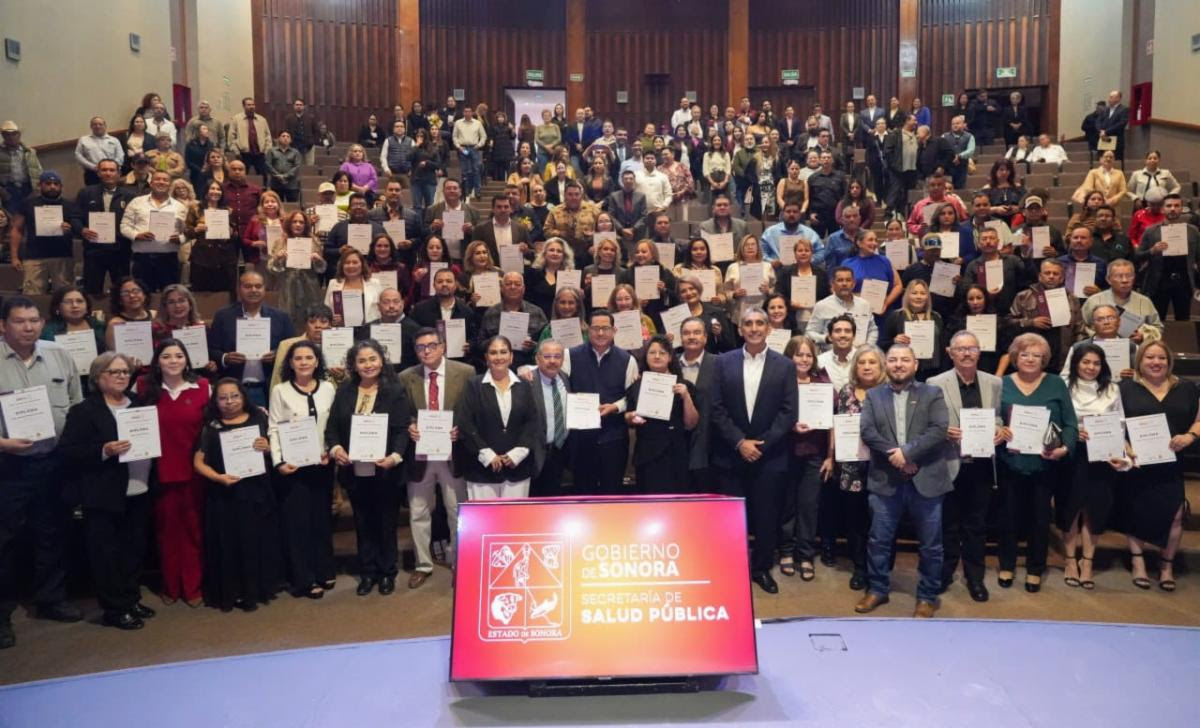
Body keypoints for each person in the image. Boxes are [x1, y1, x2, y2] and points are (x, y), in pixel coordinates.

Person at [0, 296, 84, 649]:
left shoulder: (58, 354)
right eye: (20, 321)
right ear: (3, 325)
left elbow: (77, 404)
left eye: (34, 320)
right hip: (8, 465)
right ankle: (1, 615)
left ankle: (51, 599)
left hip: (53, 461)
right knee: (4, 540)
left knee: (53, 532)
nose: (29, 327)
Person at [57, 351, 156, 630]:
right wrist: (104, 450)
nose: (121, 376)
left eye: (125, 372)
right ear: (98, 377)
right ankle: (115, 609)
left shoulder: (139, 404)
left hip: (139, 487)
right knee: (107, 555)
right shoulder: (84, 411)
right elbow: (68, 451)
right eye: (114, 372)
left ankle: (131, 598)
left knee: (134, 550)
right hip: (103, 494)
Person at [853, 344, 949, 617]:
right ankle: (877, 589)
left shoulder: (932, 393)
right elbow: (868, 431)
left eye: (905, 359)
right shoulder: (874, 395)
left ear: (915, 364)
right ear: (887, 365)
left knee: (931, 545)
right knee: (879, 540)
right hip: (886, 479)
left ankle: (927, 596)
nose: (898, 364)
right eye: (893, 359)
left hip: (927, 478)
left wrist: (908, 453)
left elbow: (939, 429)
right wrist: (896, 456)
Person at [709, 308, 797, 594]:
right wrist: (739, 442)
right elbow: (716, 408)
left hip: (769, 456)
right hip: (730, 454)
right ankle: (731, 568)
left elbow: (788, 412)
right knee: (731, 519)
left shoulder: (785, 365)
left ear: (768, 329)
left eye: (760, 323)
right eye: (748, 323)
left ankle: (760, 569)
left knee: (766, 517)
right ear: (740, 329)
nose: (754, 328)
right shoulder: (723, 362)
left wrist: (761, 444)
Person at [326, 340, 411, 595]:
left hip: (385, 470)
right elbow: (332, 428)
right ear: (353, 365)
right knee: (362, 523)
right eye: (361, 360)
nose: (368, 365)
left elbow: (402, 430)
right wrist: (336, 449)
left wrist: (394, 457)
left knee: (386, 523)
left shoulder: (394, 390)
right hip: (354, 470)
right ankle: (368, 572)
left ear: (381, 361)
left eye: (373, 359)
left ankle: (387, 572)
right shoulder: (344, 391)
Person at [996, 333, 1076, 593]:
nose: (1030, 359)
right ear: (1015, 357)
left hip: (1045, 463)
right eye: (1024, 354)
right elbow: (994, 417)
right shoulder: (1002, 384)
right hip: (1010, 461)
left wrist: (1064, 448)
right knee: (1008, 517)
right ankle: (1006, 564)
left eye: (1036, 355)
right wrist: (999, 429)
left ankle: (1035, 568)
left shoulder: (1056, 384)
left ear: (1045, 359)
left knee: (1040, 519)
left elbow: (1070, 423)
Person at [193, 377, 282, 612]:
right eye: (223, 398)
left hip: (257, 492)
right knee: (230, 543)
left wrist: (268, 448)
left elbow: (277, 448)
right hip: (225, 495)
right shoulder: (211, 426)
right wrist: (218, 478)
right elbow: (198, 462)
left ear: (243, 396)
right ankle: (235, 591)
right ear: (215, 401)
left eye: (234, 396)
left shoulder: (259, 418)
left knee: (256, 541)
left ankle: (257, 588)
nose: (229, 401)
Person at [928, 330, 1003, 602]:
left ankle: (975, 578)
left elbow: (998, 418)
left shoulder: (994, 382)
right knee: (947, 524)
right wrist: (943, 432)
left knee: (976, 525)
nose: (967, 353)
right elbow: (928, 423)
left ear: (979, 352)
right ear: (950, 353)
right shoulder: (935, 383)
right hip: (949, 462)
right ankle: (945, 573)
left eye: (972, 348)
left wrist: (998, 430)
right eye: (960, 349)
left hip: (981, 465)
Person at [1118, 341, 1197, 592]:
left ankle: (1166, 566)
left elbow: (1198, 418)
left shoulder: (1186, 387)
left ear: (1169, 361)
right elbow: (1116, 422)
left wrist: (1190, 436)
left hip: (1173, 461)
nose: (1156, 362)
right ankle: (1138, 561)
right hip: (1139, 463)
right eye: (1149, 357)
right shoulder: (1125, 388)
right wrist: (1126, 447)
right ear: (1140, 361)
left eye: (1161, 358)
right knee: (1136, 510)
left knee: (1176, 515)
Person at [267, 340, 337, 599]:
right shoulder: (281, 391)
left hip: (322, 464)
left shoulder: (328, 388)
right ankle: (304, 578)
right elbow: (274, 428)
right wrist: (279, 462)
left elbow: (333, 425)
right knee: (297, 524)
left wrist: (329, 450)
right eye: (298, 358)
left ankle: (324, 569)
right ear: (290, 363)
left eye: (309, 357)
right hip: (293, 467)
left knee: (321, 520)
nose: (304, 362)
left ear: (317, 361)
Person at [1061, 342, 1128, 590]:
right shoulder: (1063, 385)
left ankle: (1087, 561)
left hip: (1102, 454)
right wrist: (1072, 431)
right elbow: (1055, 418)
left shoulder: (1112, 388)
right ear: (1076, 363)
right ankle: (1070, 560)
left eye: (1097, 363)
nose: (1091, 367)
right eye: (1086, 362)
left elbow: (1120, 422)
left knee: (1095, 508)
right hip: (1073, 453)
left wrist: (1120, 451)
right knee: (1071, 507)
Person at [560, 308, 640, 495]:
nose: (601, 333)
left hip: (614, 437)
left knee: (611, 492)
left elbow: (632, 397)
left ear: (614, 331)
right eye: (596, 328)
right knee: (582, 492)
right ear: (588, 330)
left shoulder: (628, 360)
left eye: (606, 328)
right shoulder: (569, 355)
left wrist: (615, 407)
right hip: (580, 439)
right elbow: (560, 388)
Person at [455, 335, 539, 500]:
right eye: (493, 353)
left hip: (517, 467)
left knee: (514, 517)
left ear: (511, 356)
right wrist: (486, 454)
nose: (499, 357)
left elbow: (532, 421)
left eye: (503, 352)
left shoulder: (524, 385)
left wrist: (519, 452)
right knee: (484, 517)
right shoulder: (474, 385)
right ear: (486, 358)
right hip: (481, 468)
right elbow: (465, 423)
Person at [777, 334, 830, 581]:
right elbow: (771, 416)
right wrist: (791, 427)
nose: (804, 359)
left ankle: (806, 554)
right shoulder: (780, 382)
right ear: (789, 356)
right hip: (784, 452)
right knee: (786, 505)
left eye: (809, 355)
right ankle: (786, 551)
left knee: (809, 507)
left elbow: (831, 422)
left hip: (814, 454)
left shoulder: (822, 382)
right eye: (799, 354)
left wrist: (830, 456)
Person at [624, 335, 699, 493]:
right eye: (652, 352)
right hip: (646, 454)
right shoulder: (636, 386)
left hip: (675, 453)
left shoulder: (684, 386)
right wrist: (631, 417)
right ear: (646, 357)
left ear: (670, 357)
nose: (657, 356)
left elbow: (691, 423)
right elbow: (627, 417)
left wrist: (686, 397)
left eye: (662, 353)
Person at [209, 270, 296, 407]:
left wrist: (276, 355)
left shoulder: (281, 317)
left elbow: (293, 349)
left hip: (269, 388)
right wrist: (225, 358)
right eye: (248, 286)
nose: (253, 290)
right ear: (239, 289)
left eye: (258, 286)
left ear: (264, 289)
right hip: (234, 390)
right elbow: (212, 349)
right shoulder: (223, 316)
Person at [1008, 258, 1084, 373]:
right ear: (1040, 276)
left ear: (1062, 278)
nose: (1051, 276)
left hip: (1061, 359)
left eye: (1055, 274)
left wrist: (1075, 354)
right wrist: (1031, 322)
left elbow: (1080, 330)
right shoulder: (1023, 296)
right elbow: (1008, 323)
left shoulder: (1072, 298)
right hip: (1031, 357)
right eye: (1047, 273)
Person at [73, 158, 134, 296]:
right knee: (92, 291)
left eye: (112, 170)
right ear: (98, 173)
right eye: (104, 170)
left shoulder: (129, 196)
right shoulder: (86, 193)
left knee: (122, 291)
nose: (108, 173)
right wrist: (82, 230)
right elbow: (75, 217)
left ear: (118, 173)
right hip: (94, 250)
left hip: (120, 250)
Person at [121, 169, 187, 292]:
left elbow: (186, 231)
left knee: (170, 295)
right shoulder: (136, 202)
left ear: (170, 184)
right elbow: (124, 226)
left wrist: (181, 239)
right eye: (158, 179)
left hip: (169, 260)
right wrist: (136, 235)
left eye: (165, 180)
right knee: (143, 296)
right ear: (151, 183)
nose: (161, 182)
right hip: (142, 260)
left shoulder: (179, 206)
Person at [1137, 194, 1200, 322]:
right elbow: (1138, 256)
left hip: (1184, 281)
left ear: (1181, 209)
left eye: (1176, 206)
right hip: (1158, 281)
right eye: (1169, 206)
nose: (1173, 209)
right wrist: (1152, 250)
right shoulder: (1151, 231)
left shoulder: (1192, 231)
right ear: (1162, 209)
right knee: (1156, 321)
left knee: (1183, 320)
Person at [12, 170, 76, 294]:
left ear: (61, 186)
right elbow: (17, 229)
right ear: (39, 185)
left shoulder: (70, 205)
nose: (52, 187)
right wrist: (14, 257)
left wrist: (69, 228)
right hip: (34, 257)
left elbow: (78, 228)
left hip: (62, 256)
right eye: (48, 183)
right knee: (32, 294)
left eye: (56, 184)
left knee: (65, 295)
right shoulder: (28, 204)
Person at [1081, 258, 1162, 343]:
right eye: (1119, 276)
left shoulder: (1144, 302)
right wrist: (1098, 336)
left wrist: (1143, 336)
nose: (1125, 280)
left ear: (1134, 278)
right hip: (1100, 347)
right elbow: (1081, 327)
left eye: (1129, 276)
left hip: (1135, 348)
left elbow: (1158, 327)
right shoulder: (1094, 301)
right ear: (1108, 279)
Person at [479, 271, 548, 368]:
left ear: (523, 289)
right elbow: (480, 344)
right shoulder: (491, 313)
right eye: (508, 284)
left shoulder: (537, 312)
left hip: (529, 366)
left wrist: (534, 346)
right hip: (498, 366)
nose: (513, 287)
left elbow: (548, 343)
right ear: (502, 288)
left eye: (517, 284)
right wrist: (495, 341)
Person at [878, 279, 944, 379]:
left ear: (927, 297)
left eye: (923, 293)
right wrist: (894, 341)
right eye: (914, 293)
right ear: (908, 295)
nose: (918, 297)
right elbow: (881, 344)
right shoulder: (896, 316)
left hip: (932, 372)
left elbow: (942, 347)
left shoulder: (936, 317)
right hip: (903, 371)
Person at [185, 180, 238, 295]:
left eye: (218, 189)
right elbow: (187, 231)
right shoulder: (196, 208)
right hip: (201, 257)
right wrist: (196, 230)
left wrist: (231, 232)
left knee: (224, 293)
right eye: (212, 188)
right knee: (201, 292)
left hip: (224, 258)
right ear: (206, 191)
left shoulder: (228, 210)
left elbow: (236, 234)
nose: (215, 191)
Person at [807, 266, 879, 350]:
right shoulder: (822, 306)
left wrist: (867, 347)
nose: (844, 284)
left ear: (853, 283)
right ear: (832, 283)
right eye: (840, 280)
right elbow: (809, 333)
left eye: (848, 280)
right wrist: (826, 338)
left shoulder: (864, 305)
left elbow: (872, 330)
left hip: (860, 355)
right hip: (832, 354)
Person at [410, 266, 474, 359]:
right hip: (427, 359)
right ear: (434, 285)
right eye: (440, 281)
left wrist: (470, 345)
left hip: (457, 361)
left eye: (449, 281)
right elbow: (413, 336)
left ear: (455, 285)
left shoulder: (466, 311)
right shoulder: (420, 310)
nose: (444, 284)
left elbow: (473, 336)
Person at [844, 229, 904, 318]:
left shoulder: (885, 261)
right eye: (870, 240)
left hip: (882, 313)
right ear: (859, 243)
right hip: (856, 312)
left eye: (876, 240)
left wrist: (886, 303)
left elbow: (898, 285)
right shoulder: (848, 263)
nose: (874, 243)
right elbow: (840, 288)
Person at [325, 246, 383, 329]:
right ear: (342, 265)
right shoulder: (333, 283)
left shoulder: (375, 283)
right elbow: (327, 311)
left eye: (355, 262)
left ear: (362, 264)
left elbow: (381, 309)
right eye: (347, 263)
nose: (351, 266)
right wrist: (333, 319)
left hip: (369, 330)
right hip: (342, 330)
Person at [103, 276, 156, 361]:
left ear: (144, 295)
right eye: (126, 293)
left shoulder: (154, 315)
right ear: (119, 300)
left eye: (136, 291)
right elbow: (113, 356)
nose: (132, 295)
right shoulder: (115, 324)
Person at [228, 97, 273, 182]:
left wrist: (267, 150)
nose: (251, 107)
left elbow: (268, 136)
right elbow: (231, 138)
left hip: (260, 153)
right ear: (244, 106)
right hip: (243, 153)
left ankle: (263, 190)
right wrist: (236, 151)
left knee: (263, 176)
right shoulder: (236, 119)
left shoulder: (262, 120)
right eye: (248, 105)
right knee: (241, 177)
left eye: (253, 105)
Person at [884, 116, 920, 217]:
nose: (916, 122)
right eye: (914, 120)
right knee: (895, 190)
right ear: (907, 121)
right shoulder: (895, 134)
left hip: (912, 169)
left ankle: (905, 212)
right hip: (897, 169)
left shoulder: (916, 135)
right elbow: (888, 151)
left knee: (908, 193)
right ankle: (888, 212)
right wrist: (893, 165)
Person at [75, 117, 125, 186]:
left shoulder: (114, 140)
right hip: (92, 173)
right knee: (93, 192)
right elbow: (78, 155)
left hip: (111, 173)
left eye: (100, 124)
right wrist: (93, 167)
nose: (98, 126)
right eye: (95, 124)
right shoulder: (83, 140)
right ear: (91, 126)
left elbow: (120, 156)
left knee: (113, 191)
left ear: (105, 126)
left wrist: (111, 168)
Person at [452, 106, 487, 199]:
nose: (467, 113)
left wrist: (479, 145)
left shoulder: (477, 123)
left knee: (476, 169)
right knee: (464, 171)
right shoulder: (458, 123)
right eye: (465, 111)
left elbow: (483, 136)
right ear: (463, 113)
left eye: (469, 111)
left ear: (472, 113)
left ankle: (477, 191)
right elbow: (454, 136)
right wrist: (458, 147)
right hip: (463, 148)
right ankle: (465, 191)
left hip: (474, 148)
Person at [941, 115, 976, 190]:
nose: (955, 125)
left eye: (957, 123)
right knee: (946, 189)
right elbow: (940, 150)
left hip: (962, 167)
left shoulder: (969, 136)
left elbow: (971, 150)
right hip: (947, 167)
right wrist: (951, 157)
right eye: (953, 124)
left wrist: (959, 156)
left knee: (960, 189)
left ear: (963, 124)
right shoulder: (944, 136)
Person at [265, 131, 301, 202]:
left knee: (292, 206)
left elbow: (297, 166)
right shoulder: (271, 151)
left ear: (290, 140)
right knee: (277, 205)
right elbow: (268, 164)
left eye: (288, 136)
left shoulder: (295, 152)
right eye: (283, 136)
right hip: (276, 183)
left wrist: (285, 176)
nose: (285, 138)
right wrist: (278, 176)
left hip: (291, 184)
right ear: (278, 139)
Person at [284, 98, 321, 166]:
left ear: (304, 106)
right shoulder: (289, 118)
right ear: (294, 106)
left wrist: (313, 142)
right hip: (294, 146)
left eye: (300, 105)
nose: (299, 106)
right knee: (296, 166)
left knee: (309, 167)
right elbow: (286, 132)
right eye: (297, 105)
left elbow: (316, 131)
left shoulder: (310, 118)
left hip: (309, 147)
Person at [1097, 90, 1128, 161]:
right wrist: (1101, 131)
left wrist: (1106, 132)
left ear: (1118, 98)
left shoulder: (1124, 109)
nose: (1109, 99)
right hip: (1103, 139)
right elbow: (1098, 121)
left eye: (1111, 97)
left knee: (1116, 161)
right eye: (1109, 97)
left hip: (1116, 140)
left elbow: (1121, 123)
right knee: (1102, 160)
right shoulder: (1105, 109)